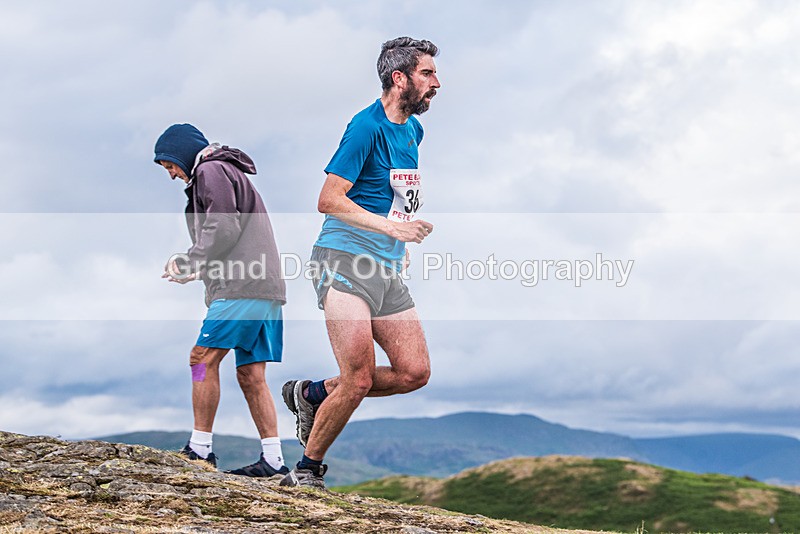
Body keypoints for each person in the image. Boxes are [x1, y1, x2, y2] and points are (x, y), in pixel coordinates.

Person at [280, 37, 441, 489]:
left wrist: (399, 239)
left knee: (414, 372)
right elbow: (328, 199)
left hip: (385, 267)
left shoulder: (413, 130)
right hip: (343, 259)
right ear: (399, 78)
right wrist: (391, 230)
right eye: (427, 74)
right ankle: (307, 471)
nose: (437, 83)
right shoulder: (364, 127)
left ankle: (310, 393)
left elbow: (397, 191)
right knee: (358, 376)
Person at [153, 123, 289, 478]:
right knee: (250, 373)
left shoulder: (210, 169)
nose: (171, 175)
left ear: (183, 153)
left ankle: (199, 449)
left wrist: (190, 259)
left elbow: (223, 226)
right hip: (264, 289)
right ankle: (274, 461)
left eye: (170, 165)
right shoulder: (223, 170)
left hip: (241, 288)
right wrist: (199, 269)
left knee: (201, 359)